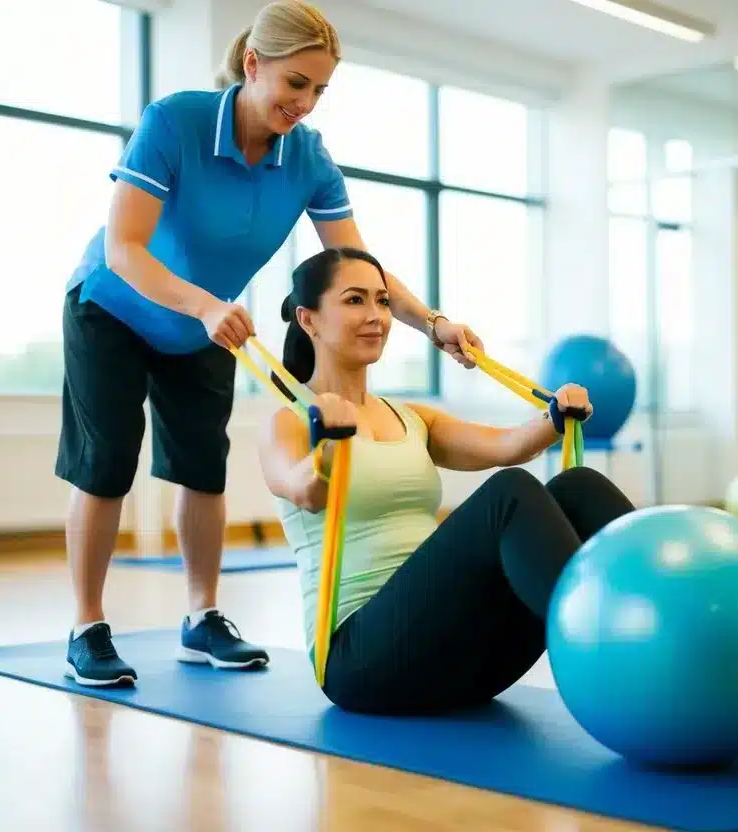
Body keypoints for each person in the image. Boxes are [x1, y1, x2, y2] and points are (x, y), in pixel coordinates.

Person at [56, 0, 481, 688]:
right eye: (295, 84)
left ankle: (201, 619)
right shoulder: (176, 121)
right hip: (113, 304)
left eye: (318, 90)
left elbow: (358, 267)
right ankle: (88, 626)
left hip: (204, 321)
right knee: (105, 461)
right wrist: (201, 305)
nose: (305, 104)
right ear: (253, 64)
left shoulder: (307, 157)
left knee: (202, 466)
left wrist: (432, 323)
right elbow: (123, 247)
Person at [259, 246, 738, 716]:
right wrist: (330, 447)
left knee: (574, 488)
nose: (377, 317)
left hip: (463, 657)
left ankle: (730, 639)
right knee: (509, 497)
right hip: (363, 662)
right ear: (309, 319)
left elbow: (507, 446)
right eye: (355, 301)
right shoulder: (290, 421)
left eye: (383, 301)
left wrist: (553, 415)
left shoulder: (410, 416)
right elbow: (304, 489)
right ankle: (636, 653)